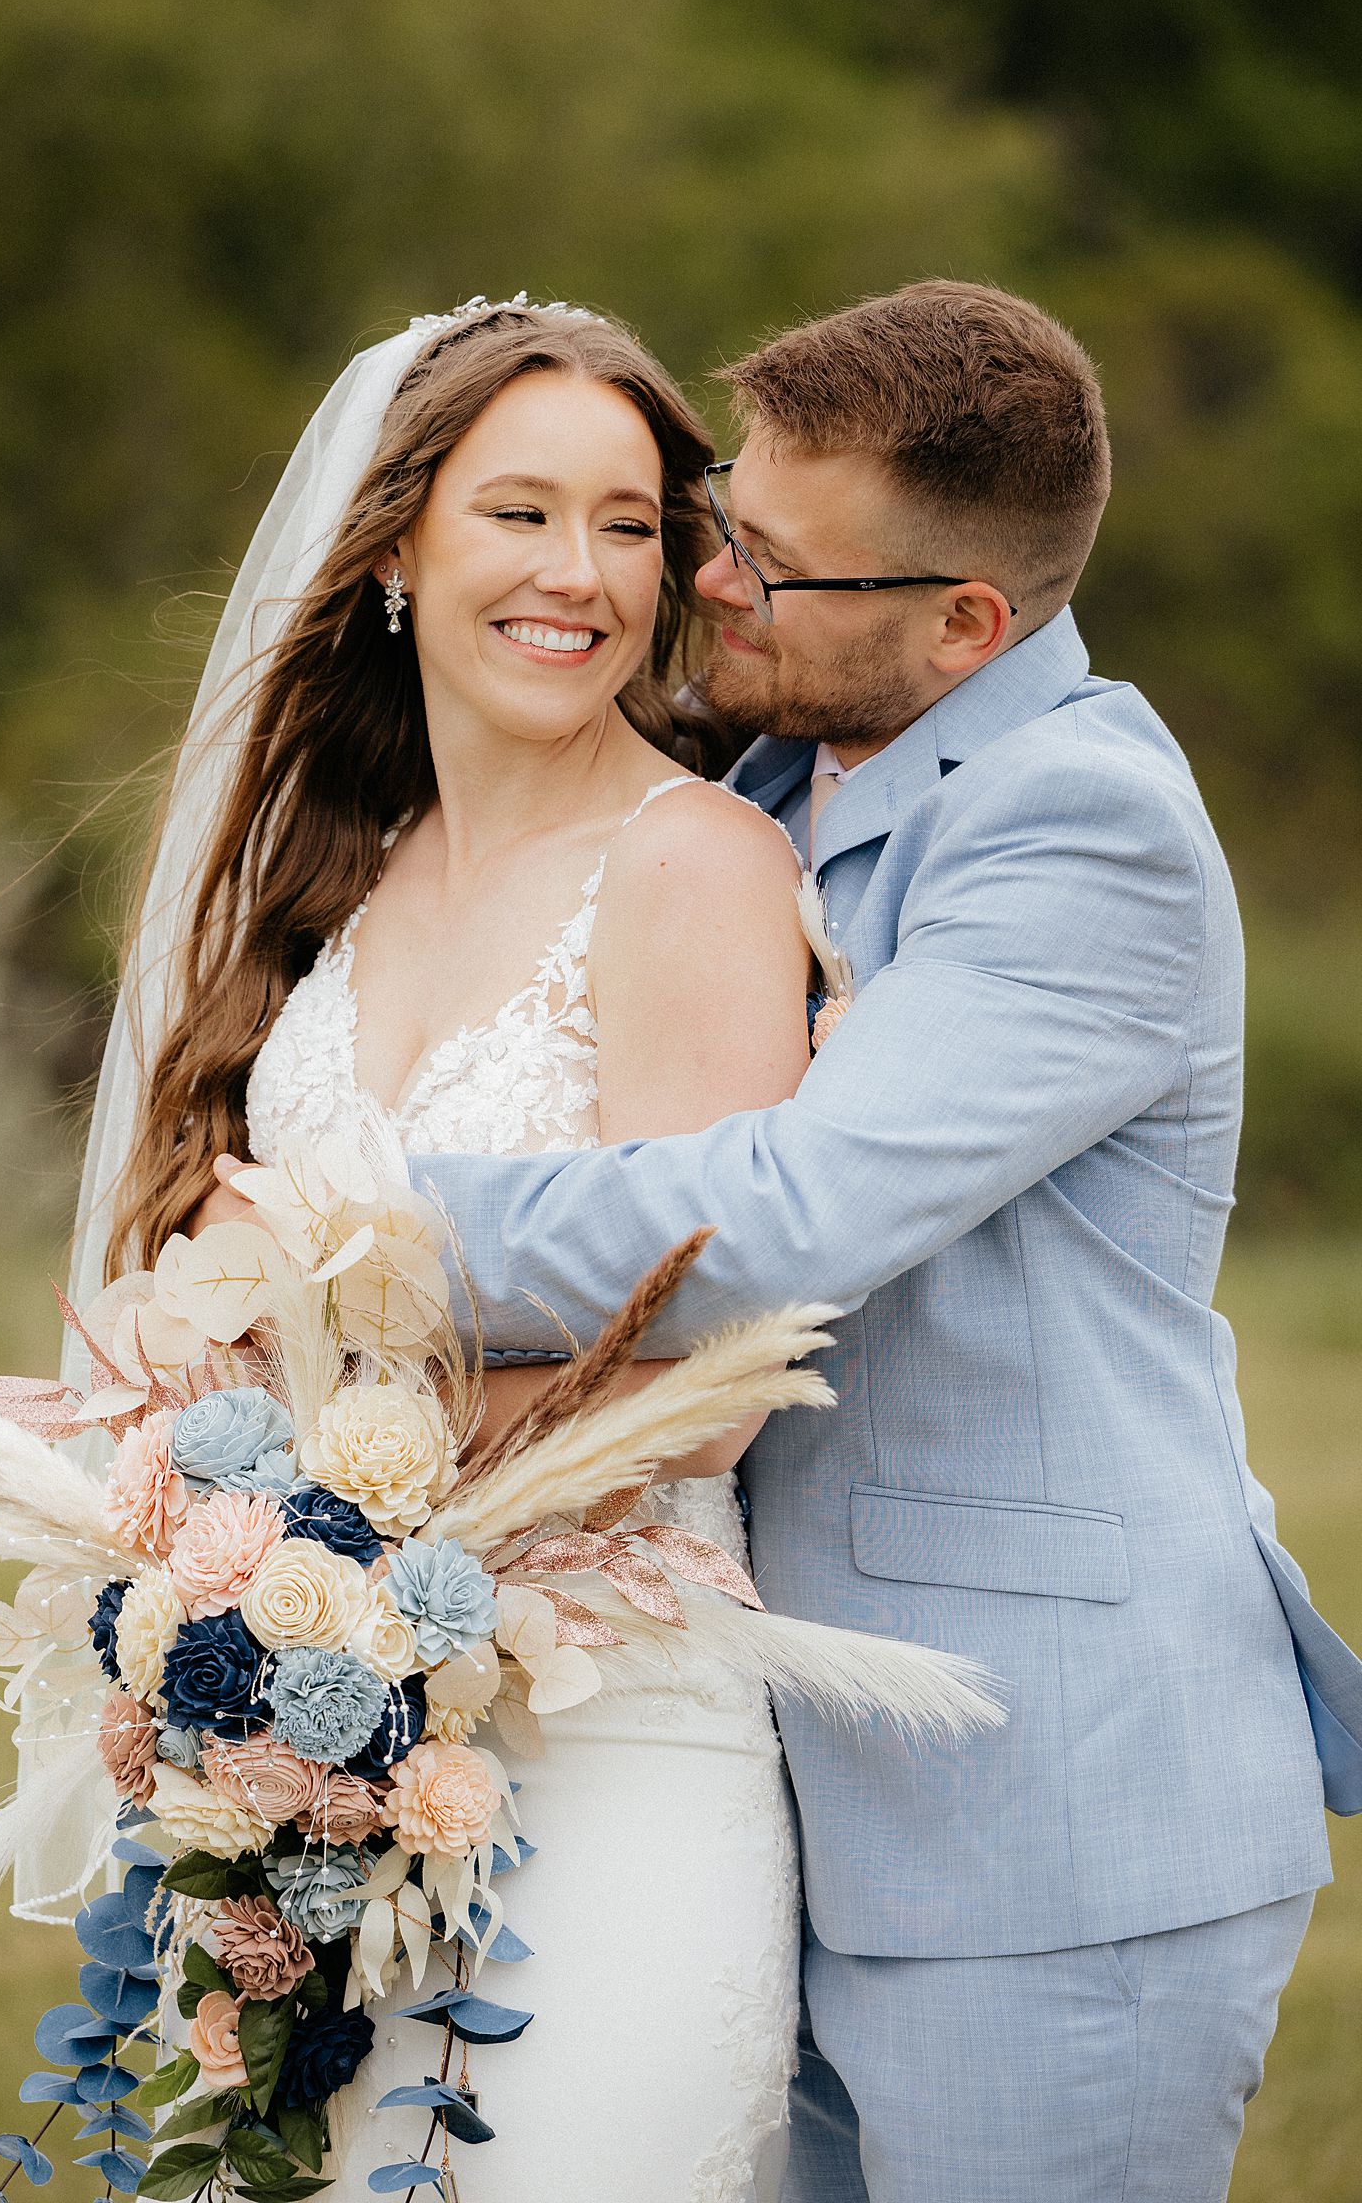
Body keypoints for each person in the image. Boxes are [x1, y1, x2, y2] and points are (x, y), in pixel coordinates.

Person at [343, 280, 1362, 2203]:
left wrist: (368, 1227)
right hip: (779, 1784)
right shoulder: (773, 779)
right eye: (728, 521)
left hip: (1047, 1814)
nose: (713, 587)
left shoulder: (1085, 829)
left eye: (773, 570)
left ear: (968, 623)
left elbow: (786, 1215)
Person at [77, 296, 840, 2199]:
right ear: (398, 547)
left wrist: (313, 1513)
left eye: (632, 523)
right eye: (520, 514)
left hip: (624, 1744)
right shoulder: (334, 881)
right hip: (320, 1774)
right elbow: (182, 1300)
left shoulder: (695, 872)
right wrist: (223, 1570)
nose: (577, 574)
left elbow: (708, 1385)